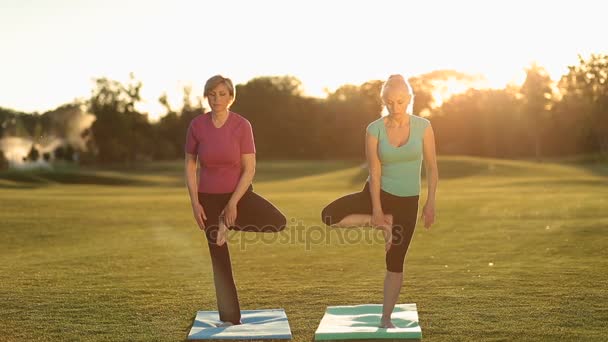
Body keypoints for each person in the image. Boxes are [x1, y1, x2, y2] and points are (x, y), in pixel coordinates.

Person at [320, 74, 438, 328]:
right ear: (383, 101)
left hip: (408, 201)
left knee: (395, 261)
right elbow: (374, 172)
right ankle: (385, 222)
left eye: (400, 101)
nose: (395, 107)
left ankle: (386, 318)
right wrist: (377, 212)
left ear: (408, 99)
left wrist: (431, 203)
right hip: (377, 193)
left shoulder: (423, 126)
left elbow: (432, 167)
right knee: (328, 215)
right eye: (389, 102)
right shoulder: (374, 129)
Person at [184, 75, 287, 326]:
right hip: (208, 198)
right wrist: (195, 202)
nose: (216, 99)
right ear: (206, 96)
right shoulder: (197, 126)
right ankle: (230, 320)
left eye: (222, 94)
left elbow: (249, 168)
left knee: (278, 222)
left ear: (231, 97)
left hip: (239, 194)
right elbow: (190, 164)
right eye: (212, 94)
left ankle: (226, 223)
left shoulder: (242, 125)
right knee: (219, 258)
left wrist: (231, 207)